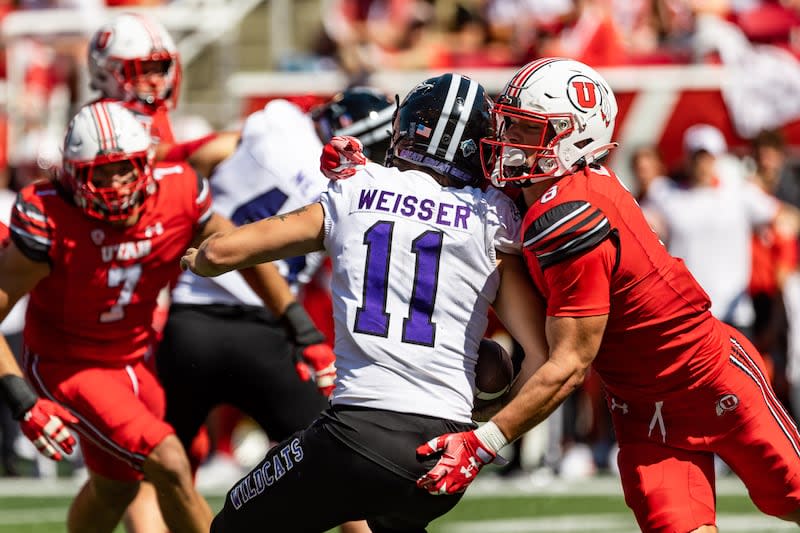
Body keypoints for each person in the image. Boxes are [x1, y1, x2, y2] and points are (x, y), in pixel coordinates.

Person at [415, 58, 800, 533]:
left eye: (525, 129)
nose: (509, 141)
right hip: (639, 406)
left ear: (573, 137)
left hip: (706, 379)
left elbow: (569, 364)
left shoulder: (571, 213)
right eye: (509, 125)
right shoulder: (545, 192)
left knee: (793, 497)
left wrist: (484, 441)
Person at [181, 72, 548, 532]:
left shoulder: (356, 188)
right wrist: (488, 424)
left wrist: (201, 261)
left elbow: (224, 250)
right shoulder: (494, 216)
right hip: (446, 451)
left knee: (233, 523)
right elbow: (538, 354)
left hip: (354, 434)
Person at [0, 100, 331, 533]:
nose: (114, 185)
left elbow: (239, 250)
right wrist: (23, 399)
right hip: (70, 364)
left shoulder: (178, 193)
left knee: (115, 487)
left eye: (125, 169)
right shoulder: (48, 216)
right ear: (73, 175)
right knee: (170, 461)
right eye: (99, 173)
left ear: (146, 165)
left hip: (137, 359)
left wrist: (301, 328)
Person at [159, 86, 393, 533]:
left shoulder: (277, 123)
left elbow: (212, 154)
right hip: (266, 327)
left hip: (190, 315)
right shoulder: (354, 186)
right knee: (338, 469)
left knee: (158, 468)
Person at [88, 11, 238, 178]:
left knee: (194, 128)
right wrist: (217, 143)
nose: (156, 80)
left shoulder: (152, 110)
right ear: (106, 71)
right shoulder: (104, 118)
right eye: (143, 70)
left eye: (160, 68)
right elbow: (150, 156)